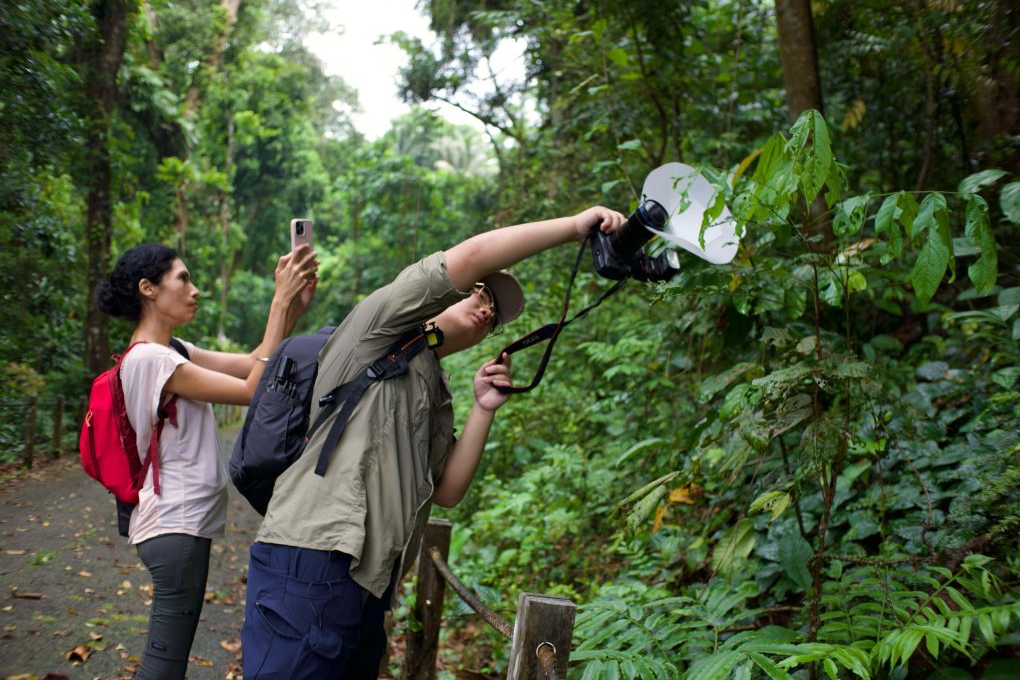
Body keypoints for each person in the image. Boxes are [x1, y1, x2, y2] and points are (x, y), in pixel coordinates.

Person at [241, 206, 626, 678]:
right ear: (445, 297)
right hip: (311, 559)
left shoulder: (433, 384)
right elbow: (468, 257)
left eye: (495, 316)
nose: (487, 310)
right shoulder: (376, 328)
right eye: (481, 292)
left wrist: (483, 408)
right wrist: (573, 228)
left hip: (368, 581)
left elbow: (446, 490)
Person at [95, 241, 318, 680]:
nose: (195, 290)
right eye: (183, 279)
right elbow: (254, 388)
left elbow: (253, 362)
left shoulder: (173, 349)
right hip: (173, 525)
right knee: (163, 667)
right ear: (148, 289)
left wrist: (290, 307)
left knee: (167, 663)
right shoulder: (152, 360)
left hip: (180, 524)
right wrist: (277, 299)